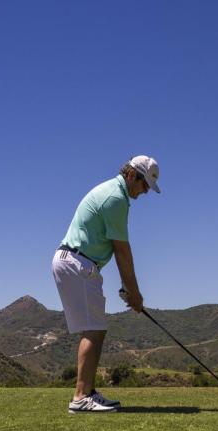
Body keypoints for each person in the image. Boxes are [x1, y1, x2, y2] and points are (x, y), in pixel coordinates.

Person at [52, 155, 161, 413]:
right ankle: (80, 398)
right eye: (145, 185)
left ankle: (87, 392)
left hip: (78, 262)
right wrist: (135, 294)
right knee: (93, 329)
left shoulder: (114, 193)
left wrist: (130, 289)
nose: (145, 192)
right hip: (78, 263)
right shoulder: (115, 199)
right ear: (133, 175)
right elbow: (122, 251)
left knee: (96, 328)